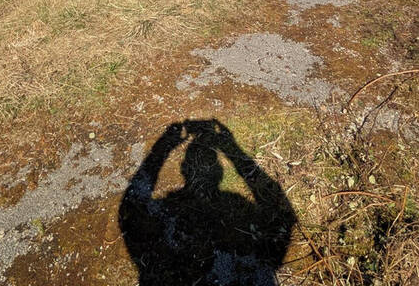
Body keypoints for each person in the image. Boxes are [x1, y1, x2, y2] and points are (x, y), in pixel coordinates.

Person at [119, 119, 296, 286]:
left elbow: (131, 208)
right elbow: (284, 215)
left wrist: (163, 147)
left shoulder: (167, 214)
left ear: (183, 169)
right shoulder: (235, 205)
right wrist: (231, 147)